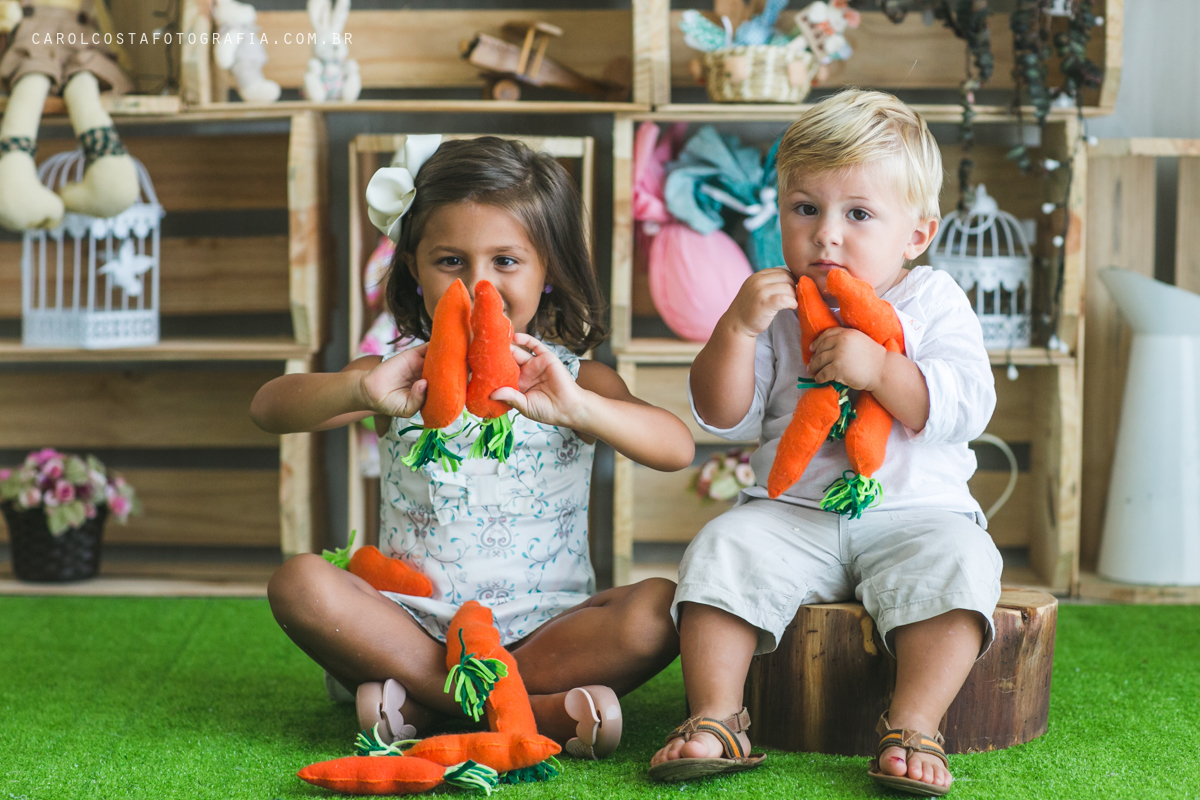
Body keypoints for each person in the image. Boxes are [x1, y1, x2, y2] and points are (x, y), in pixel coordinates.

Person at [252, 135, 693, 759]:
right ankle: (525, 714)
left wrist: (580, 409)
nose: (479, 283)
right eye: (451, 261)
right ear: (412, 264)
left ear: (549, 270)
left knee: (660, 608)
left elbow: (675, 448)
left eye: (506, 261)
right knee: (299, 582)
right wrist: (358, 388)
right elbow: (268, 407)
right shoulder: (394, 373)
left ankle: (424, 708)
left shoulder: (576, 378)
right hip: (412, 629)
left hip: (548, 634)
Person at [648, 90, 1000, 796]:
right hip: (793, 514)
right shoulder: (776, 306)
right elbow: (722, 414)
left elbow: (968, 405)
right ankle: (718, 716)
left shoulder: (932, 301)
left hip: (916, 515)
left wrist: (882, 369)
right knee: (722, 545)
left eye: (858, 214)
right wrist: (736, 331)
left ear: (917, 234)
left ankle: (913, 724)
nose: (825, 235)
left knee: (963, 563)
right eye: (805, 209)